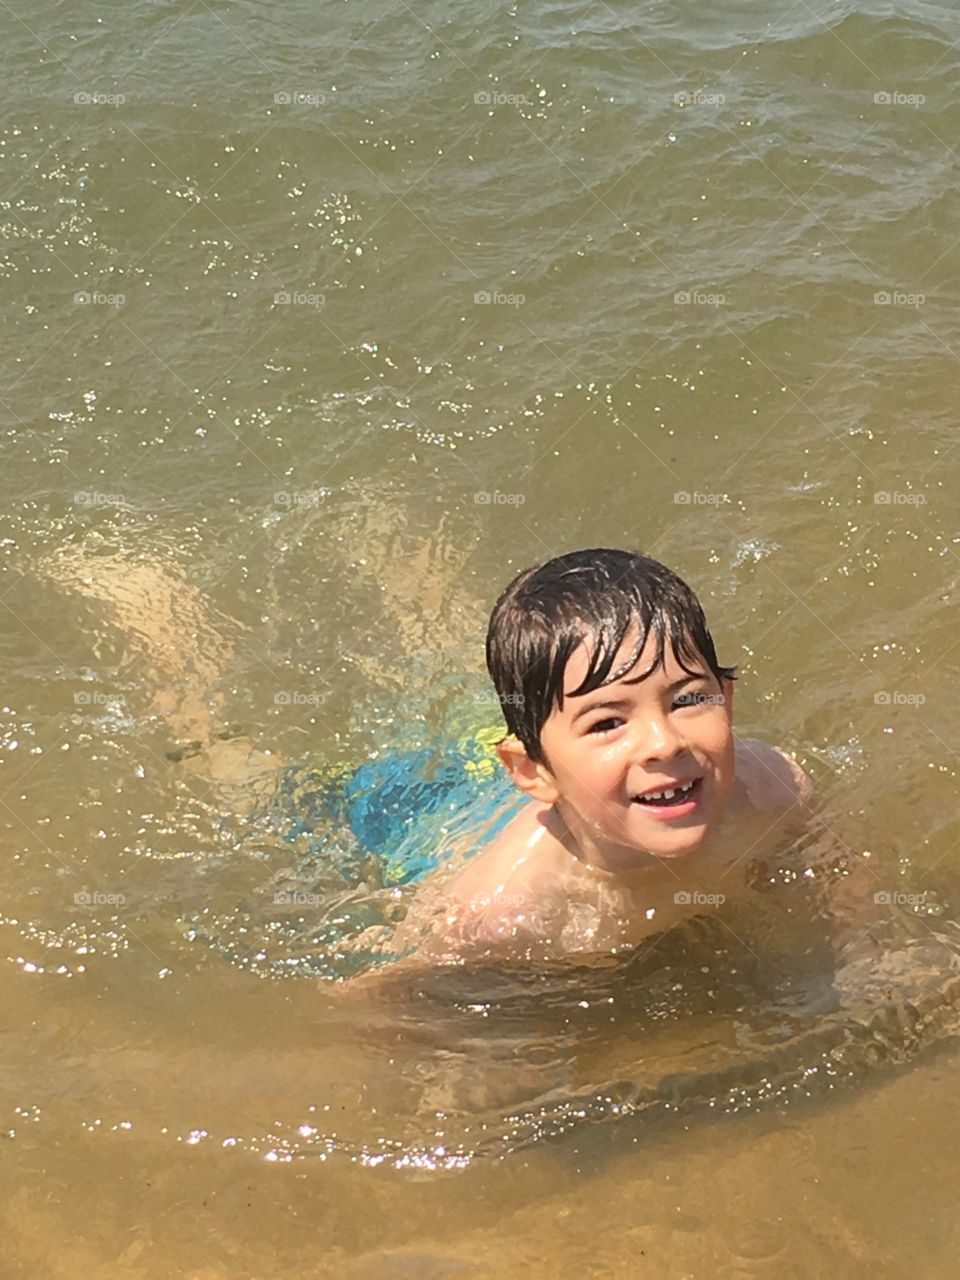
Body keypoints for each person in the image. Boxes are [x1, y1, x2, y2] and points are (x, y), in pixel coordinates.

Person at [374, 547, 820, 968]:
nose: (665, 744)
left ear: (726, 699)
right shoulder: (499, 916)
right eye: (608, 723)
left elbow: (844, 895)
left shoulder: (774, 788)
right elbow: (384, 1007)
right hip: (428, 811)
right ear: (533, 772)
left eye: (686, 700)